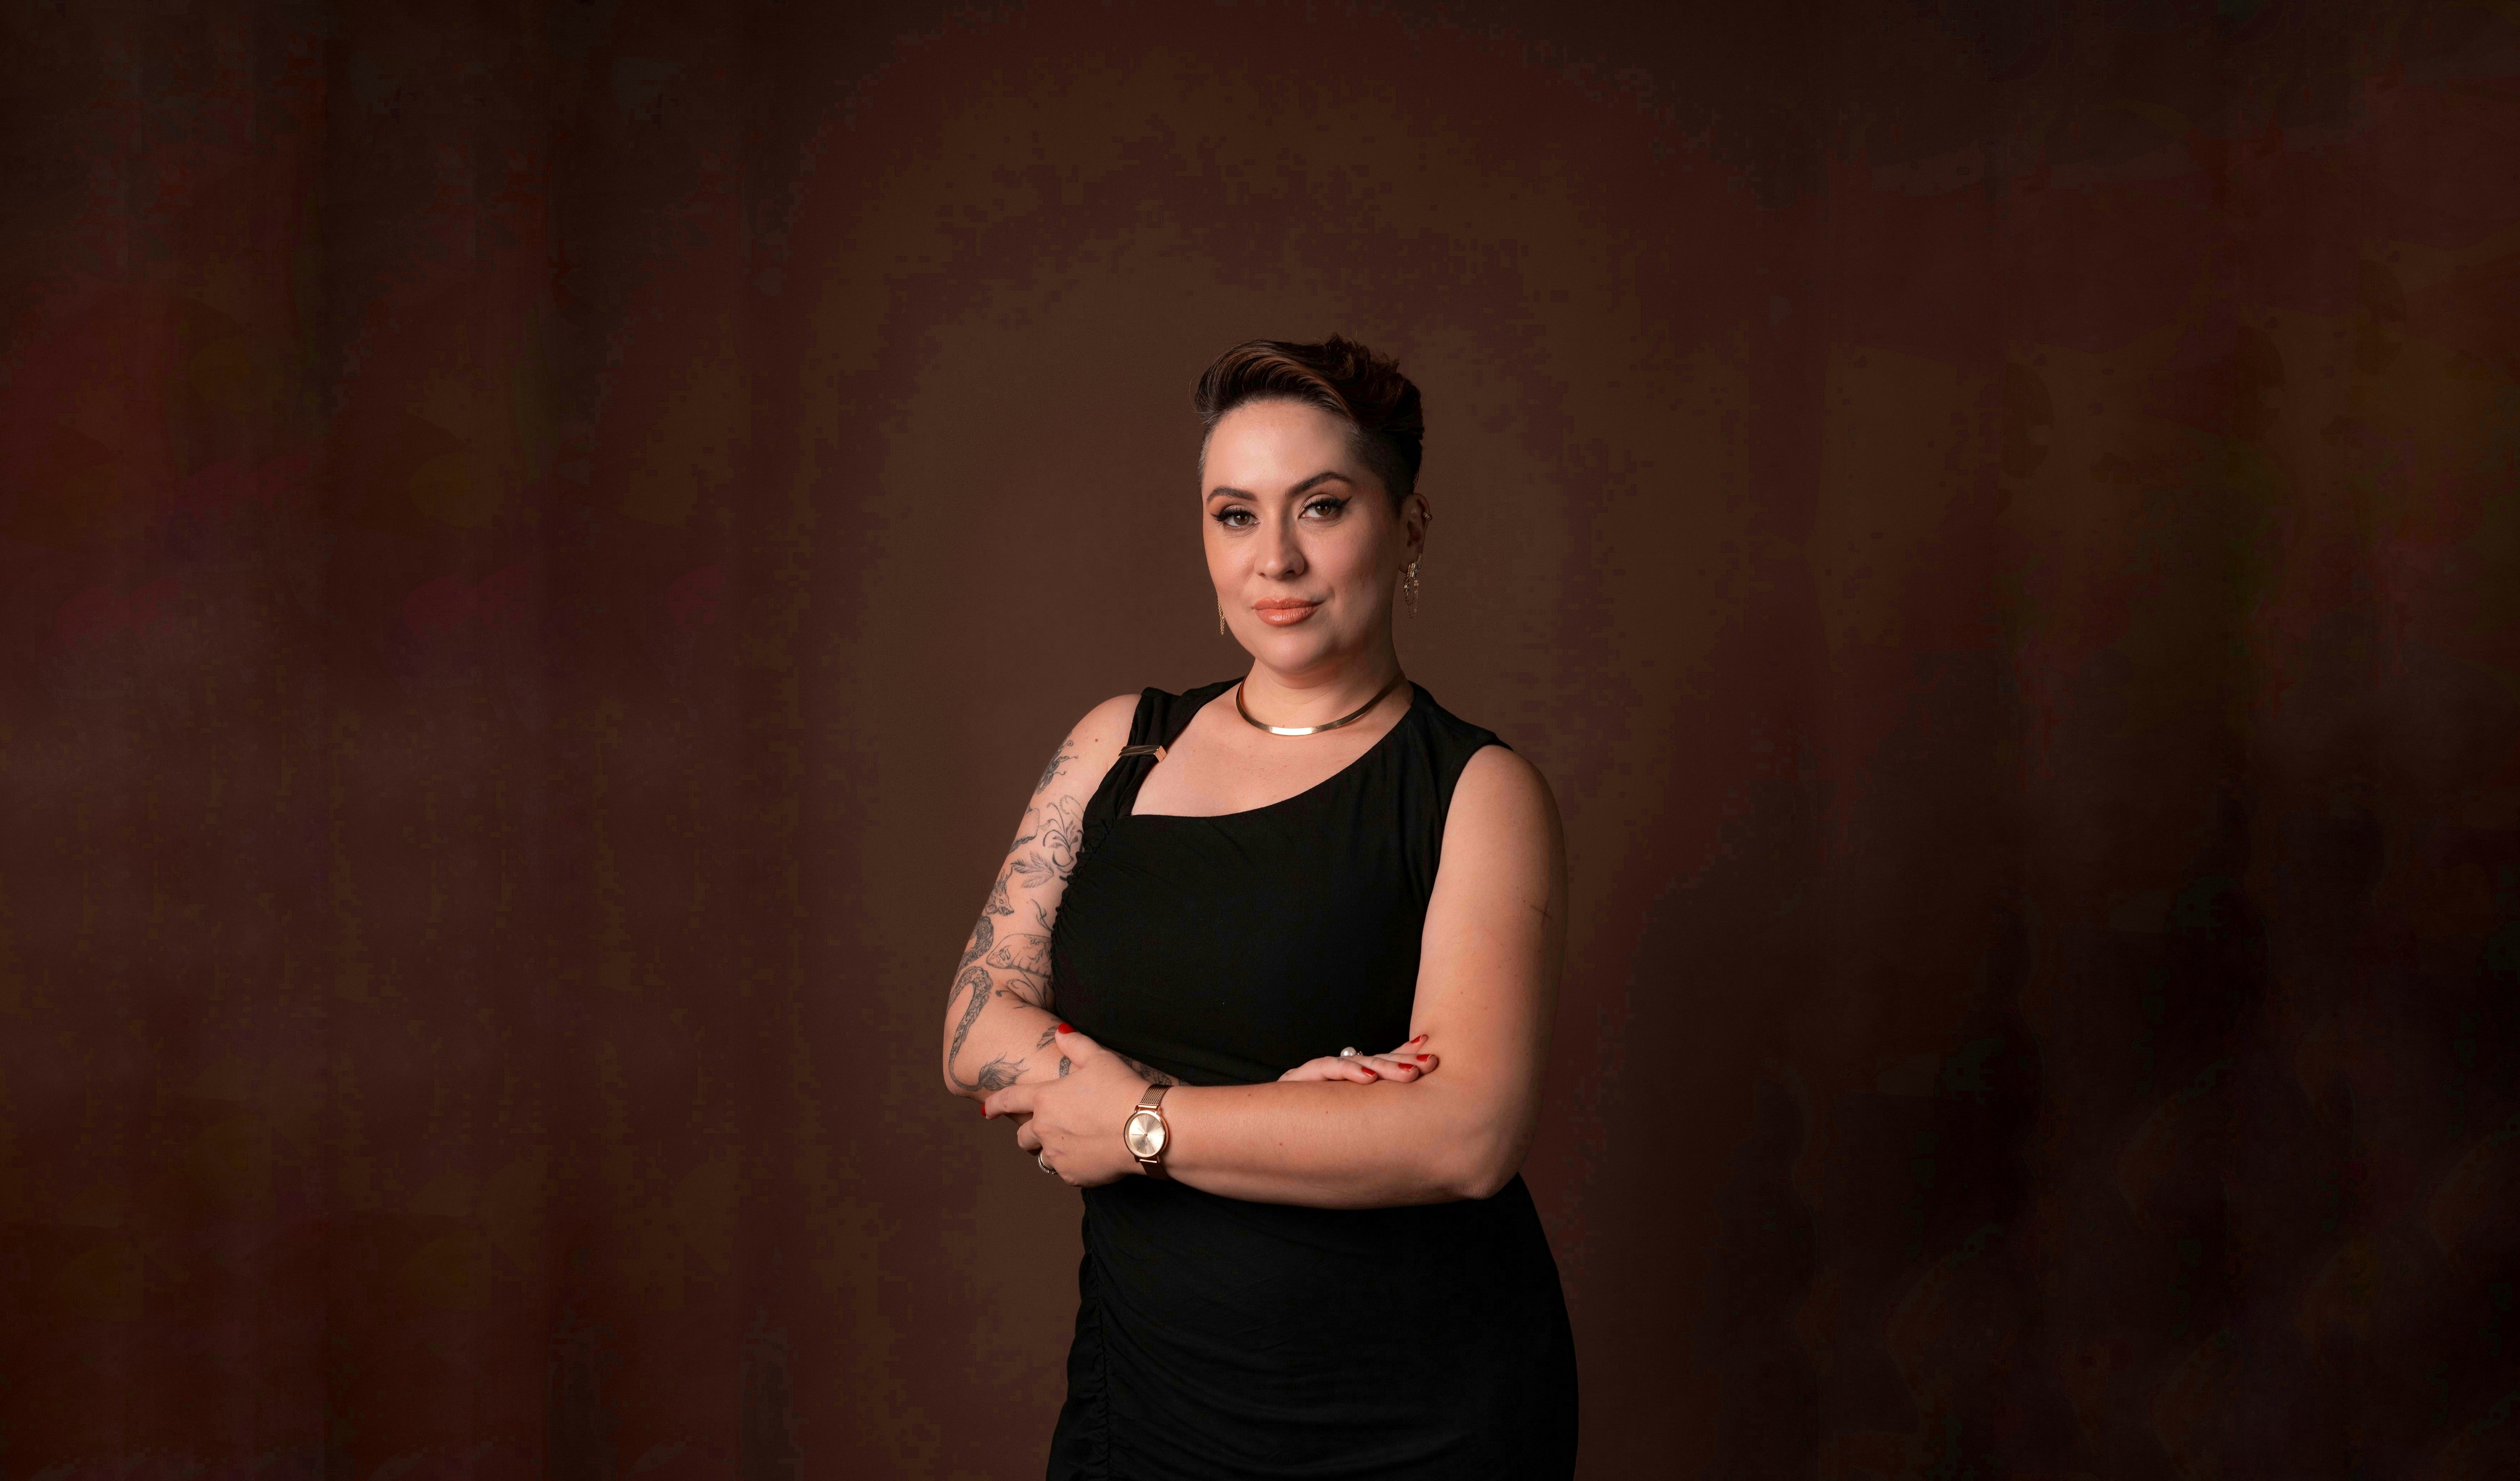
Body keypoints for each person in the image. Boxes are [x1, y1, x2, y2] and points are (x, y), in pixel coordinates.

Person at [938, 335, 1577, 1479]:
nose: (1274, 558)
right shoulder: (1119, 747)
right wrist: (1286, 1117)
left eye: (1322, 507)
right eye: (1236, 515)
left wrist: (1143, 1125)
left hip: (1414, 1418)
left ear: (1408, 528)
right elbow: (976, 1023)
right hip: (1150, 1401)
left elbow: (1466, 1137)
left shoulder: (1476, 792)